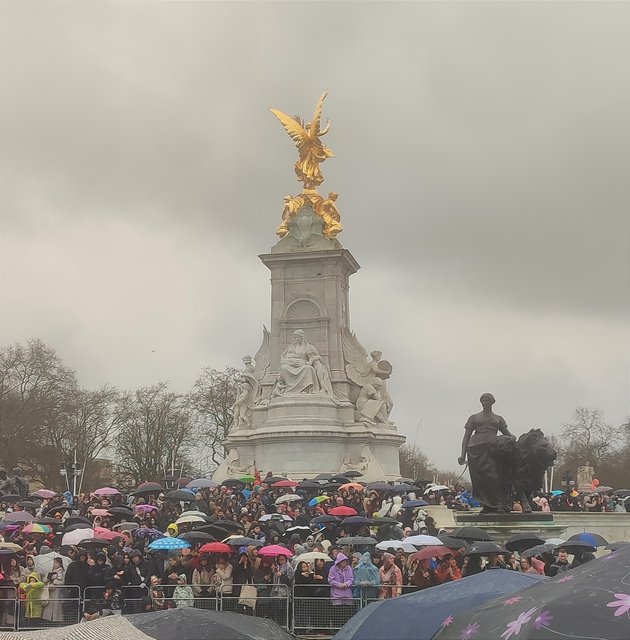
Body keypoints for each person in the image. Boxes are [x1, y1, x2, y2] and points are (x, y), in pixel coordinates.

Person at [458, 393, 515, 513]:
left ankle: (499, 502)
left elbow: (507, 433)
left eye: (487, 400)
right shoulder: (474, 417)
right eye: (483, 400)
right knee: (480, 479)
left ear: (492, 402)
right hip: (475, 450)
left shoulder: (498, 418)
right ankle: (487, 504)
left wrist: (512, 437)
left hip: (492, 449)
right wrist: (462, 454)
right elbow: (466, 436)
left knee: (494, 476)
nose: (485, 402)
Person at [42, 557, 65, 624]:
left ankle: (56, 620)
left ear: (60, 564)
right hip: (50, 590)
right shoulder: (51, 571)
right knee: (49, 605)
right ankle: (48, 619)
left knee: (56, 606)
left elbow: (62, 581)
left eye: (56, 562)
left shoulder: (62, 572)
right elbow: (44, 580)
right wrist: (48, 577)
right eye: (54, 562)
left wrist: (55, 582)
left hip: (57, 591)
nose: (55, 564)